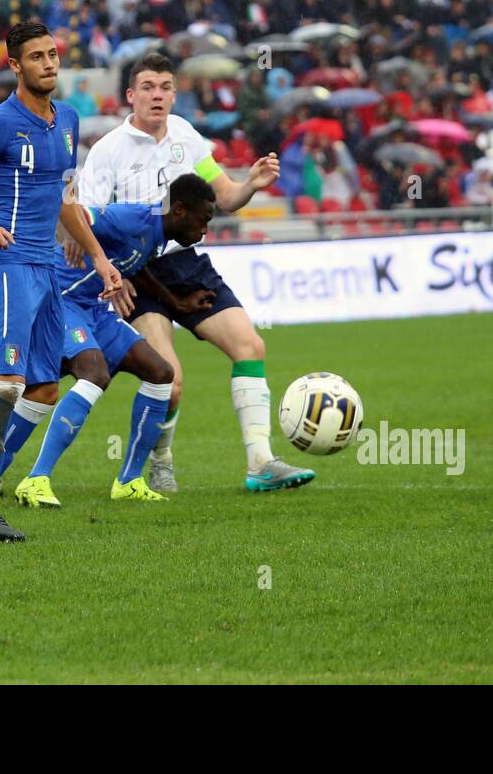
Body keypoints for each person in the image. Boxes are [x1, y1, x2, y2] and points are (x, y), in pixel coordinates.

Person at [75, 52, 316, 495]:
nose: (158, 95)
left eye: (166, 87)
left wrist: (250, 185)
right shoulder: (108, 150)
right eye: (148, 87)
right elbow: (86, 220)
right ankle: (161, 458)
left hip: (185, 263)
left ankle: (261, 461)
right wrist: (111, 269)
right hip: (138, 270)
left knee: (250, 344)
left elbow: (223, 197)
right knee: (172, 378)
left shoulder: (186, 135)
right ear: (130, 95)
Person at [0, 21, 122, 542]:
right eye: (36, 57)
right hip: (7, 267)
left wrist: (100, 258)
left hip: (48, 271)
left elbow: (63, 198)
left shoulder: (69, 121)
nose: (49, 64)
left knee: (44, 386)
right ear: (15, 65)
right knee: (8, 380)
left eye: (53, 54)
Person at [8, 174, 218, 507]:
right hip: (60, 300)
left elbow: (137, 265)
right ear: (179, 210)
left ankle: (129, 481)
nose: (205, 229)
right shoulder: (133, 218)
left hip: (94, 308)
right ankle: (36, 479)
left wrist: (176, 304)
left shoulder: (157, 236)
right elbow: (74, 214)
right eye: (203, 219)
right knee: (94, 374)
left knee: (161, 374)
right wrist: (72, 234)